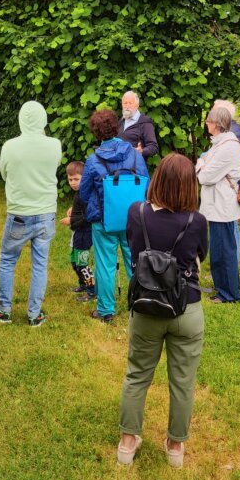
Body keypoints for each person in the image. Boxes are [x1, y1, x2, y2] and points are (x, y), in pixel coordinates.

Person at [117, 153, 208, 469]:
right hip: (185, 309)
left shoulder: (137, 212)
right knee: (183, 381)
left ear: (156, 180)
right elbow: (201, 255)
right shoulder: (196, 221)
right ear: (190, 186)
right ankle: (175, 447)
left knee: (137, 374)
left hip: (145, 306)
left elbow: (132, 244)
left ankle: (127, 443)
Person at [0, 101, 63, 326]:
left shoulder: (10, 146)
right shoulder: (54, 145)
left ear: (20, 120)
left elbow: (4, 174)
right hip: (46, 212)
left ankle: (4, 309)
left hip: (19, 212)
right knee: (40, 263)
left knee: (7, 260)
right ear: (43, 120)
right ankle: (34, 314)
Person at [80, 109, 150, 323]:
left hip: (103, 221)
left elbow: (84, 193)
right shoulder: (136, 156)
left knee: (105, 265)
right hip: (134, 220)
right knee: (135, 262)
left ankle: (105, 310)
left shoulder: (93, 161)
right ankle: (140, 306)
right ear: (117, 128)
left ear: (95, 132)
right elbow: (146, 185)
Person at [195, 104, 240, 304]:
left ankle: (230, 293)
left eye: (209, 120)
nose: (206, 123)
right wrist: (203, 164)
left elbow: (204, 177)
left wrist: (201, 164)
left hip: (222, 207)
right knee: (218, 251)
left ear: (216, 123)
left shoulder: (228, 147)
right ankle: (221, 288)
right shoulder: (220, 143)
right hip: (216, 205)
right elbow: (204, 166)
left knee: (225, 252)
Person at [59, 161, 95, 301]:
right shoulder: (79, 193)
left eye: (76, 179)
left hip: (85, 234)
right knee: (75, 262)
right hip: (78, 234)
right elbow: (80, 209)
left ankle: (92, 290)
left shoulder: (86, 195)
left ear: (84, 178)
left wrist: (71, 220)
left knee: (83, 265)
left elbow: (88, 216)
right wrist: (73, 208)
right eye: (70, 179)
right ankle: (83, 285)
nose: (73, 183)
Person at [117, 91, 158, 159]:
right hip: (119, 163)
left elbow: (154, 147)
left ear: (137, 105)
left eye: (130, 103)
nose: (127, 106)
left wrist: (141, 151)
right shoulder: (121, 121)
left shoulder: (145, 123)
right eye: (125, 103)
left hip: (136, 164)